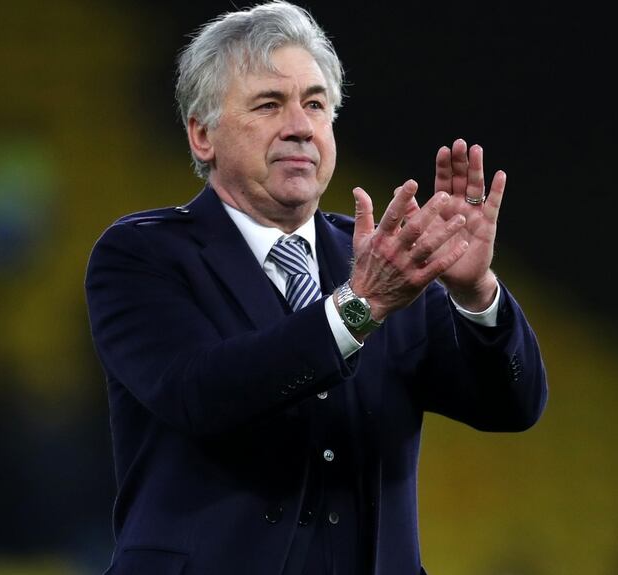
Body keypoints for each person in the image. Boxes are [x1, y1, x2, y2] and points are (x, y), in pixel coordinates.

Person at [84, 2, 547, 574]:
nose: (300, 126)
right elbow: (197, 394)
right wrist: (360, 308)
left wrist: (476, 294)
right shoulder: (142, 255)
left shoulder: (387, 259)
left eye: (315, 104)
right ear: (203, 135)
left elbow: (512, 407)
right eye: (269, 105)